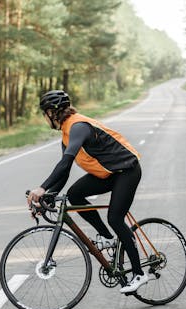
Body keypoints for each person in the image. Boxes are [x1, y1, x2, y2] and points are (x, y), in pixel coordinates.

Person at [27, 90, 149, 293]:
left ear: (52, 112)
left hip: (127, 170)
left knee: (116, 218)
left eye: (44, 113)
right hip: (109, 173)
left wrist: (41, 188)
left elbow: (66, 162)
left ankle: (139, 273)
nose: (44, 117)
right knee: (74, 194)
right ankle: (107, 237)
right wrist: (46, 198)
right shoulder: (67, 134)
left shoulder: (78, 126)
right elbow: (63, 172)